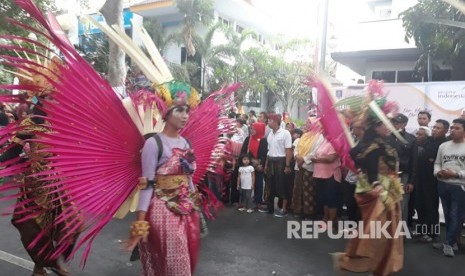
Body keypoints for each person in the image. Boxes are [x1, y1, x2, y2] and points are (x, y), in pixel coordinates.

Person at [125, 88, 202, 275]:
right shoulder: (153, 144)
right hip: (163, 212)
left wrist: (196, 206)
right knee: (172, 266)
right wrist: (140, 225)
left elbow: (189, 178)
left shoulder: (186, 144)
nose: (185, 116)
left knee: (188, 262)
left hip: (186, 211)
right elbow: (146, 185)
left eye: (187, 111)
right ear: (166, 114)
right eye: (179, 111)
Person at [333, 119, 404, 276]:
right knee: (380, 231)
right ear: (376, 127)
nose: (388, 127)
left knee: (383, 230)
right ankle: (374, 264)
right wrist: (376, 183)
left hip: (388, 187)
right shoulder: (374, 146)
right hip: (380, 191)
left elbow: (354, 154)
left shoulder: (376, 142)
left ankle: (381, 264)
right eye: (385, 124)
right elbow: (370, 167)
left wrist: (362, 169)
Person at [433, 118, 465, 257]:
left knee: (456, 215)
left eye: (457, 128)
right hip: (443, 184)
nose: (453, 130)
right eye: (452, 128)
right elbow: (437, 163)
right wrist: (438, 172)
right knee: (447, 215)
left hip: (459, 187)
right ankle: (452, 242)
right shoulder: (443, 146)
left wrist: (456, 174)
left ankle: (449, 242)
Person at [415, 119, 449, 243]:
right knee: (420, 205)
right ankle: (421, 230)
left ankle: (432, 233)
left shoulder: (445, 143)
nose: (434, 129)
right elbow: (421, 154)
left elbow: (427, 155)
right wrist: (426, 156)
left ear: (445, 130)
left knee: (431, 206)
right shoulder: (428, 140)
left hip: (434, 180)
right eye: (434, 127)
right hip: (420, 177)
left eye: (438, 128)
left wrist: (427, 156)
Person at [259, 113, 293, 217]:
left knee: (282, 185)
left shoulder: (285, 133)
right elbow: (269, 151)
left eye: (270, 120)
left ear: (276, 122)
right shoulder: (270, 134)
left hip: (281, 162)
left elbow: (288, 150)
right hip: (271, 161)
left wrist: (287, 166)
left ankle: (284, 209)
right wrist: (266, 164)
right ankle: (269, 207)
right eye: (268, 120)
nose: (268, 122)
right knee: (269, 185)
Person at [387, 113, 417, 226]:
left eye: (397, 122)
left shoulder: (411, 139)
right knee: (387, 203)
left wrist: (411, 181)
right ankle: (388, 233)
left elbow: (414, 162)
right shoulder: (386, 137)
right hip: (387, 175)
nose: (394, 124)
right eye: (393, 122)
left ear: (404, 124)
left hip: (403, 176)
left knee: (402, 205)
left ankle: (400, 234)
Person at [240, 122, 268, 208]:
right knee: (245, 183)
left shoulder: (263, 140)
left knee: (259, 184)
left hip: (259, 165)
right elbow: (243, 152)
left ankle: (258, 201)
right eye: (251, 129)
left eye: (254, 129)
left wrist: (261, 164)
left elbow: (265, 154)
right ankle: (243, 201)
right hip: (248, 164)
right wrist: (250, 160)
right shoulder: (248, 139)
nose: (251, 130)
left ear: (259, 130)